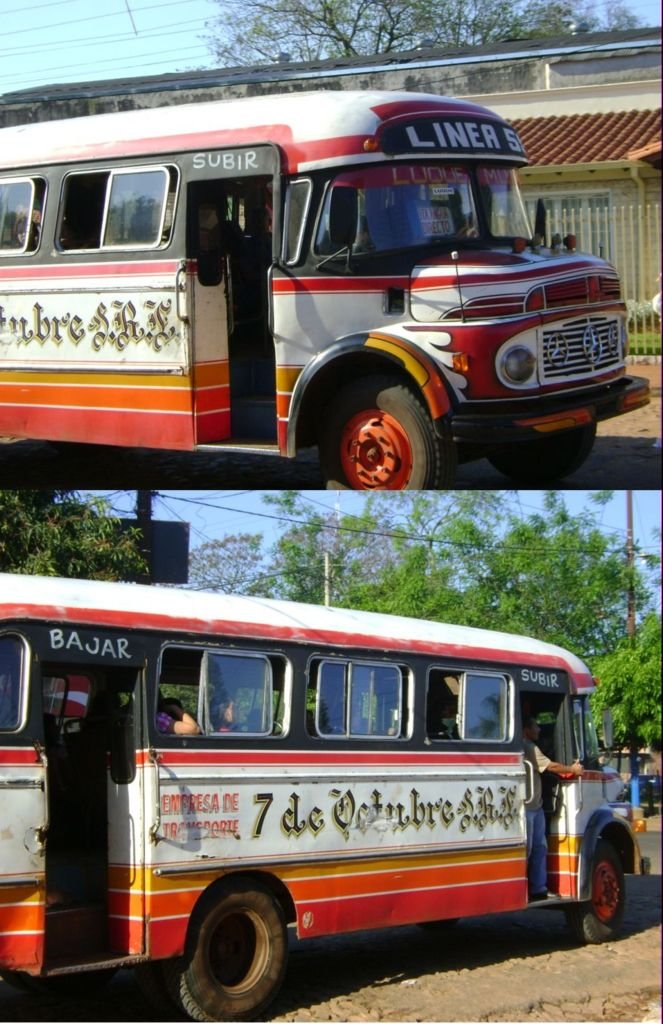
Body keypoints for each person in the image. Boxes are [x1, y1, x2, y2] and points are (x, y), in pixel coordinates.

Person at [522, 715, 583, 901]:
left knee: (539, 847)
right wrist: (572, 769)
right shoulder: (528, 747)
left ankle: (538, 888)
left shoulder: (526, 746)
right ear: (526, 730)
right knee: (530, 849)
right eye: (536, 726)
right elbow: (551, 766)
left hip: (536, 806)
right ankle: (530, 888)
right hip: (528, 808)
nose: (539, 730)